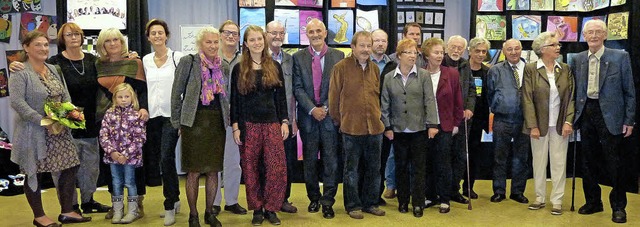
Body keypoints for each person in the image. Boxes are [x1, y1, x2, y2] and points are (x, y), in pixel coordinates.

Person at [9, 22, 111, 215]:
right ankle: (43, 215)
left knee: (72, 166)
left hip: (65, 127)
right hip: (35, 131)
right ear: (26, 47)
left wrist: (67, 119)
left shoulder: (54, 68)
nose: (43, 48)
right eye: (38, 44)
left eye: (45, 44)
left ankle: (70, 210)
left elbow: (65, 96)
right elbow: (17, 102)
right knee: (34, 173)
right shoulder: (23, 70)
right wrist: (43, 120)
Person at [572, 19, 635, 224]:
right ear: (584, 35)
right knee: (588, 161)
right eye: (590, 32)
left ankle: (618, 206)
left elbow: (630, 92)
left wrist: (629, 120)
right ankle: (593, 202)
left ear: (605, 35)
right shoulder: (579, 59)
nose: (594, 36)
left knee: (614, 163)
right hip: (586, 112)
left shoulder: (620, 57)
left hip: (612, 115)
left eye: (598, 32)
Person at [230, 25, 289, 226]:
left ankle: (271, 208)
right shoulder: (239, 69)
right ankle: (256, 208)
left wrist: (284, 121)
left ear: (264, 42)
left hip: (272, 124)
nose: (257, 43)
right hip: (248, 125)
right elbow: (235, 100)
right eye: (252, 40)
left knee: (276, 168)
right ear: (245, 44)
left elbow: (281, 98)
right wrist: (236, 126)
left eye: (259, 39)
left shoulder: (275, 66)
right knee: (250, 168)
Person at [171, 26, 227, 227]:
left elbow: (226, 98)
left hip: (216, 123)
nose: (213, 46)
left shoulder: (223, 66)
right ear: (199, 44)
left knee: (213, 171)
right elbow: (176, 93)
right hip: (193, 123)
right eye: (208, 42)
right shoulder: (189, 62)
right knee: (193, 171)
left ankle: (209, 213)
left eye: (215, 42)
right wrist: (177, 122)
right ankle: (193, 214)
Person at [328, 31, 385, 219]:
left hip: (375, 128)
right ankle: (353, 205)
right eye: (362, 45)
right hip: (351, 128)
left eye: (368, 46)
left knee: (374, 169)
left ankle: (370, 203)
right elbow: (333, 98)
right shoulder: (340, 68)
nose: (366, 49)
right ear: (353, 47)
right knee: (351, 170)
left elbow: (379, 97)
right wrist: (340, 121)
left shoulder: (375, 69)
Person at [95, 27, 149, 219]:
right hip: (106, 119)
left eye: (115, 40)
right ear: (102, 45)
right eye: (107, 41)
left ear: (122, 42)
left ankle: (138, 203)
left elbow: (142, 90)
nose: (112, 44)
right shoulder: (98, 65)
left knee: (135, 165)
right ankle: (115, 203)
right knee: (112, 166)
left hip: (132, 122)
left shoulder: (134, 63)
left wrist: (143, 108)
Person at [380, 38, 438, 218]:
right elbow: (385, 104)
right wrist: (387, 126)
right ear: (399, 56)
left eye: (415, 53)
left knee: (419, 168)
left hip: (419, 129)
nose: (413, 56)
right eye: (409, 53)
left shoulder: (424, 75)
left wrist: (432, 124)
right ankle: (403, 201)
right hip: (397, 131)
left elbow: (429, 100)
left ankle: (418, 203)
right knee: (401, 167)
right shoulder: (389, 77)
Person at [292, 18, 343, 219]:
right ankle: (314, 198)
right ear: (307, 34)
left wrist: (328, 108)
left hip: (331, 118)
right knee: (310, 161)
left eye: (318, 31)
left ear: (325, 33)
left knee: (331, 161)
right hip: (308, 118)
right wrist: (313, 109)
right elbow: (297, 88)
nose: (315, 35)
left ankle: (328, 201)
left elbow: (339, 87)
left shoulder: (338, 56)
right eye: (311, 31)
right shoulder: (298, 57)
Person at [522, 31, 575, 215]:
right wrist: (532, 125)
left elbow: (570, 98)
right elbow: (527, 98)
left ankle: (557, 200)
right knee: (539, 162)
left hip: (560, 124)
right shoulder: (530, 68)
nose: (558, 47)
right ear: (543, 49)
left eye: (558, 44)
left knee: (559, 163)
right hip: (539, 124)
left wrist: (568, 121)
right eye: (554, 45)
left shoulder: (565, 69)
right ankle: (539, 197)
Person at [142, 18, 184, 226]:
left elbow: (185, 88)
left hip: (172, 117)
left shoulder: (179, 58)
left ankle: (169, 205)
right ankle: (175, 198)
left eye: (160, 32)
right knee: (161, 159)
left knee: (166, 157)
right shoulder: (145, 60)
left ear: (167, 35)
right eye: (153, 33)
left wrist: (183, 120)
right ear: (148, 37)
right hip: (152, 116)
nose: (157, 36)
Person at [421, 37, 464, 213]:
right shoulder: (420, 73)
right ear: (426, 55)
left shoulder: (451, 74)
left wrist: (456, 123)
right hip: (424, 126)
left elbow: (458, 101)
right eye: (436, 52)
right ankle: (430, 196)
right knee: (427, 162)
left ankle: (445, 198)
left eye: (441, 52)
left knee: (444, 163)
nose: (439, 56)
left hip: (445, 126)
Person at [486, 38, 530, 204]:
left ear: (521, 50)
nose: (513, 52)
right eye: (509, 49)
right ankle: (499, 191)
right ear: (504, 52)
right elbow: (490, 94)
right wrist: (499, 104)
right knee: (499, 156)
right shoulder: (495, 70)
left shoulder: (530, 68)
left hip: (524, 119)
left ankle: (518, 191)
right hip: (502, 119)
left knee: (521, 158)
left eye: (516, 49)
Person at [213, 20, 247, 216]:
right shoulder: (210, 58)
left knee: (234, 162)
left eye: (235, 33)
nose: (231, 36)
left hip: (236, 119)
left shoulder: (244, 60)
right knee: (215, 162)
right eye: (227, 33)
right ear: (220, 35)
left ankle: (232, 201)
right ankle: (215, 201)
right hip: (215, 117)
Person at [99, 83, 147, 224]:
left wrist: (126, 154)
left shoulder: (136, 115)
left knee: (130, 183)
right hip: (113, 157)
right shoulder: (109, 114)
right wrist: (112, 152)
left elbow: (140, 138)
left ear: (132, 98)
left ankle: (133, 211)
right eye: (120, 97)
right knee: (116, 182)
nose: (124, 99)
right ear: (115, 98)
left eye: (127, 96)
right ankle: (118, 210)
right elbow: (103, 134)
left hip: (130, 159)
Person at [266, 20, 298, 214]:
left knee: (287, 161)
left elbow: (292, 92)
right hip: (266, 119)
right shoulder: (258, 59)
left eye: (281, 33)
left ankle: (284, 198)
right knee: (267, 162)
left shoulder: (289, 59)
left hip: (286, 119)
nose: (278, 37)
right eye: (273, 33)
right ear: (265, 34)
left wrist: (292, 119)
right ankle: (266, 200)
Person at [442, 35, 476, 204]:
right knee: (443, 156)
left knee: (460, 156)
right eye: (453, 47)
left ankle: (455, 190)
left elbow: (471, 89)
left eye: (459, 48)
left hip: (462, 119)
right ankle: (442, 191)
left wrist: (469, 108)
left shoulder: (465, 65)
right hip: (444, 118)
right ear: (447, 47)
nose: (456, 50)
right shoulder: (441, 63)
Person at [370, 29, 396, 202]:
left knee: (382, 158)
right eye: (376, 40)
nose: (380, 44)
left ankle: (376, 195)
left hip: (386, 119)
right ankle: (364, 195)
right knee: (367, 161)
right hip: (367, 119)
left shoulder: (393, 65)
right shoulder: (363, 62)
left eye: (383, 41)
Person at [464, 37, 492, 199]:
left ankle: (469, 186)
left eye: (484, 51)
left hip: (479, 119)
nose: (481, 54)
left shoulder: (487, 71)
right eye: (477, 51)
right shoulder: (462, 68)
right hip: (462, 118)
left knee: (474, 154)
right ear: (470, 51)